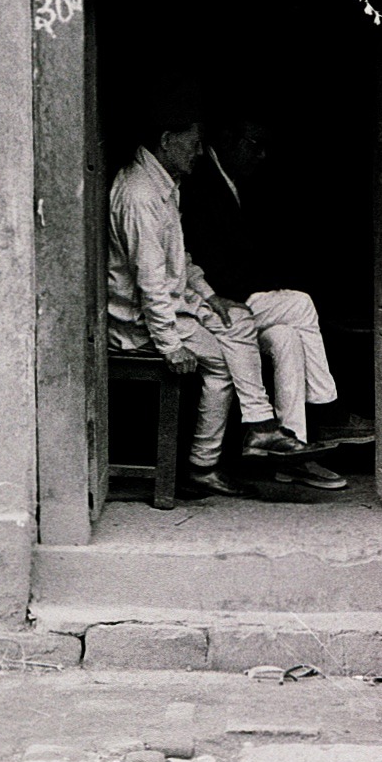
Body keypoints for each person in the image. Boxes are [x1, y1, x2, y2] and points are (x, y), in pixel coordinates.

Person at [106, 113, 312, 499]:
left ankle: (254, 429)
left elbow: (178, 258)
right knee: (222, 359)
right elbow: (150, 281)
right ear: (167, 139)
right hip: (140, 321)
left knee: (236, 319)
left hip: (174, 303)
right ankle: (216, 456)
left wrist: (208, 295)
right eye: (194, 142)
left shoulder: (163, 184)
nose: (201, 152)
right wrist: (170, 345)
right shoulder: (140, 195)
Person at [180, 119, 368, 492]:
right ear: (230, 139)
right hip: (215, 304)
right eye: (256, 144)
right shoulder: (203, 183)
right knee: (300, 306)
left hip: (228, 300)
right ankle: (329, 408)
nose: (262, 156)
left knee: (285, 337)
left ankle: (291, 452)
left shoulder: (229, 180)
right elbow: (213, 264)